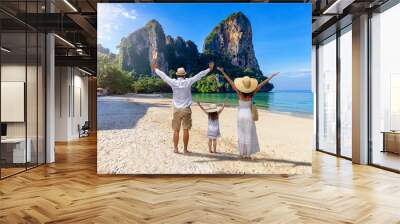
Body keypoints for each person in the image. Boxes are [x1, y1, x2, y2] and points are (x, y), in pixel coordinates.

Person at [152, 62, 215, 154]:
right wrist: (209, 69)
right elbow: (199, 75)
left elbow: (164, 76)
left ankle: (176, 149)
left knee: (176, 130)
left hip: (177, 109)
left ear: (177, 74)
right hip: (186, 109)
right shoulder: (188, 81)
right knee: (186, 130)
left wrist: (155, 69)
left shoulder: (173, 82)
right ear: (184, 74)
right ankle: (185, 149)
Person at [217, 67, 279, 159]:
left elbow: (230, 81)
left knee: (241, 134)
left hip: (240, 115)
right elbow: (262, 84)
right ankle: (248, 155)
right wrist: (271, 77)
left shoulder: (239, 94)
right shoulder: (252, 94)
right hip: (249, 115)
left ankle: (242, 154)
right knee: (249, 134)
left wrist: (223, 72)